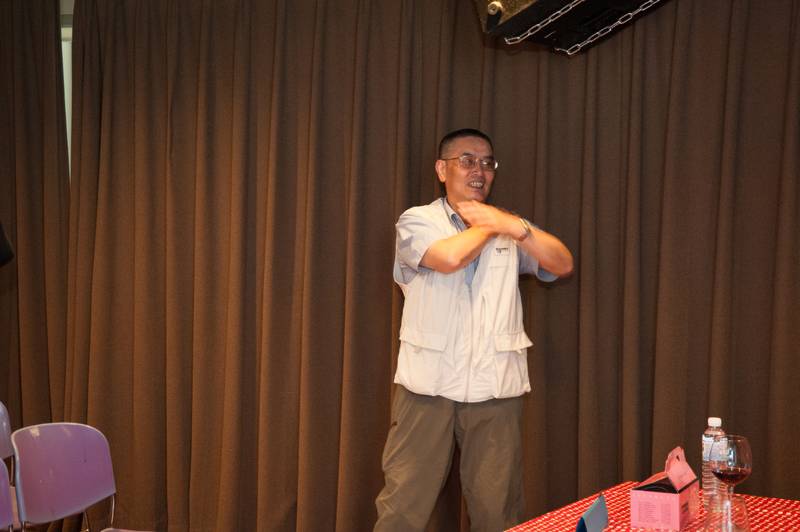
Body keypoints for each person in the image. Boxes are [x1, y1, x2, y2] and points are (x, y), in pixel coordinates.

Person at [374, 128, 574, 532]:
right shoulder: (417, 220)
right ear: (441, 169)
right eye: (467, 161)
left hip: (494, 388)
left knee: (498, 511)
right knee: (403, 509)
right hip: (427, 387)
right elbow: (449, 258)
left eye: (487, 163)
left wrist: (514, 227)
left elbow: (561, 263)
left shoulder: (512, 227)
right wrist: (493, 223)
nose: (479, 171)